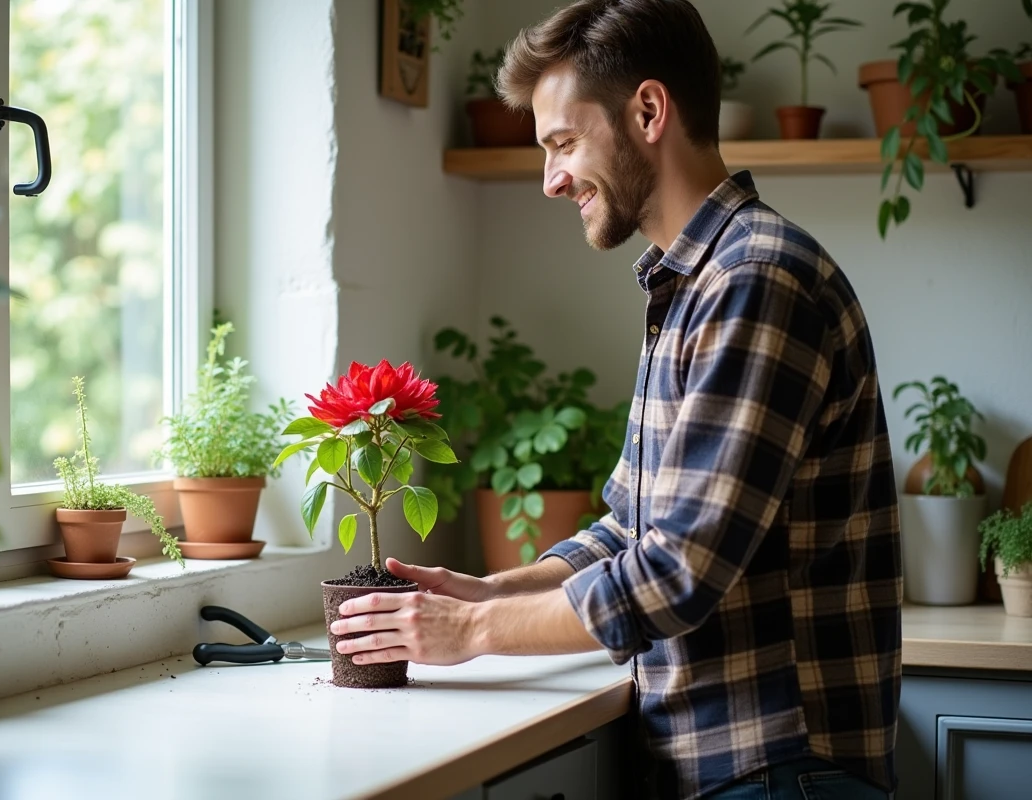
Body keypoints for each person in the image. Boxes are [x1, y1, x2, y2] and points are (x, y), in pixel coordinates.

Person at [331, 1, 902, 798]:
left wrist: (475, 632)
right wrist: (499, 589)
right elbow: (630, 530)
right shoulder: (691, 282)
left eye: (564, 141)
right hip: (739, 767)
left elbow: (676, 573)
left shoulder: (755, 280)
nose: (551, 178)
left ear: (647, 111)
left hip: (778, 769)